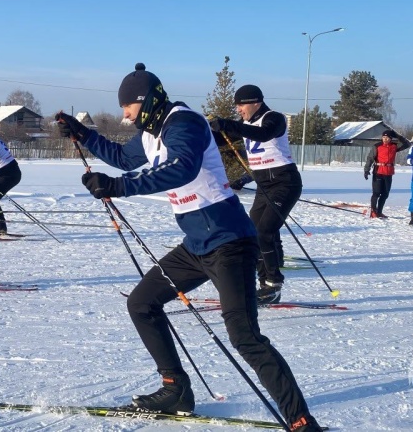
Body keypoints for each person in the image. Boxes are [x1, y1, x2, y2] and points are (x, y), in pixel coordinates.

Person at [56, 64, 322, 432]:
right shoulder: (152, 134)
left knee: (245, 338)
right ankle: (175, 390)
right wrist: (84, 134)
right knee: (142, 303)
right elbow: (122, 158)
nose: (125, 115)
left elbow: (182, 168)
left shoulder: (185, 123)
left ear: (146, 102)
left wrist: (118, 188)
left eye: (128, 108)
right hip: (197, 245)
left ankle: (301, 420)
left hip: (230, 243)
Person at [208, 85, 302, 305]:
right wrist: (204, 130)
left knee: (264, 231)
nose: (238, 109)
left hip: (284, 183)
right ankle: (263, 284)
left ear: (255, 102)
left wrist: (229, 124)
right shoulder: (245, 124)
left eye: (241, 105)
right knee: (253, 233)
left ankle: (274, 284)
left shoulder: (274, 118)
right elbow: (219, 138)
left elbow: (263, 134)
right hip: (264, 185)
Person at [363, 129, 411, 218]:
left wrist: (397, 136)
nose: (385, 139)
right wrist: (366, 170)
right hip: (378, 171)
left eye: (387, 137)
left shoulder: (394, 146)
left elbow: (407, 144)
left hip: (388, 173)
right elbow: (370, 158)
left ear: (390, 138)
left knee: (385, 194)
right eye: (383, 137)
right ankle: (373, 211)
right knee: (376, 193)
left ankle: (379, 212)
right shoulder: (377, 146)